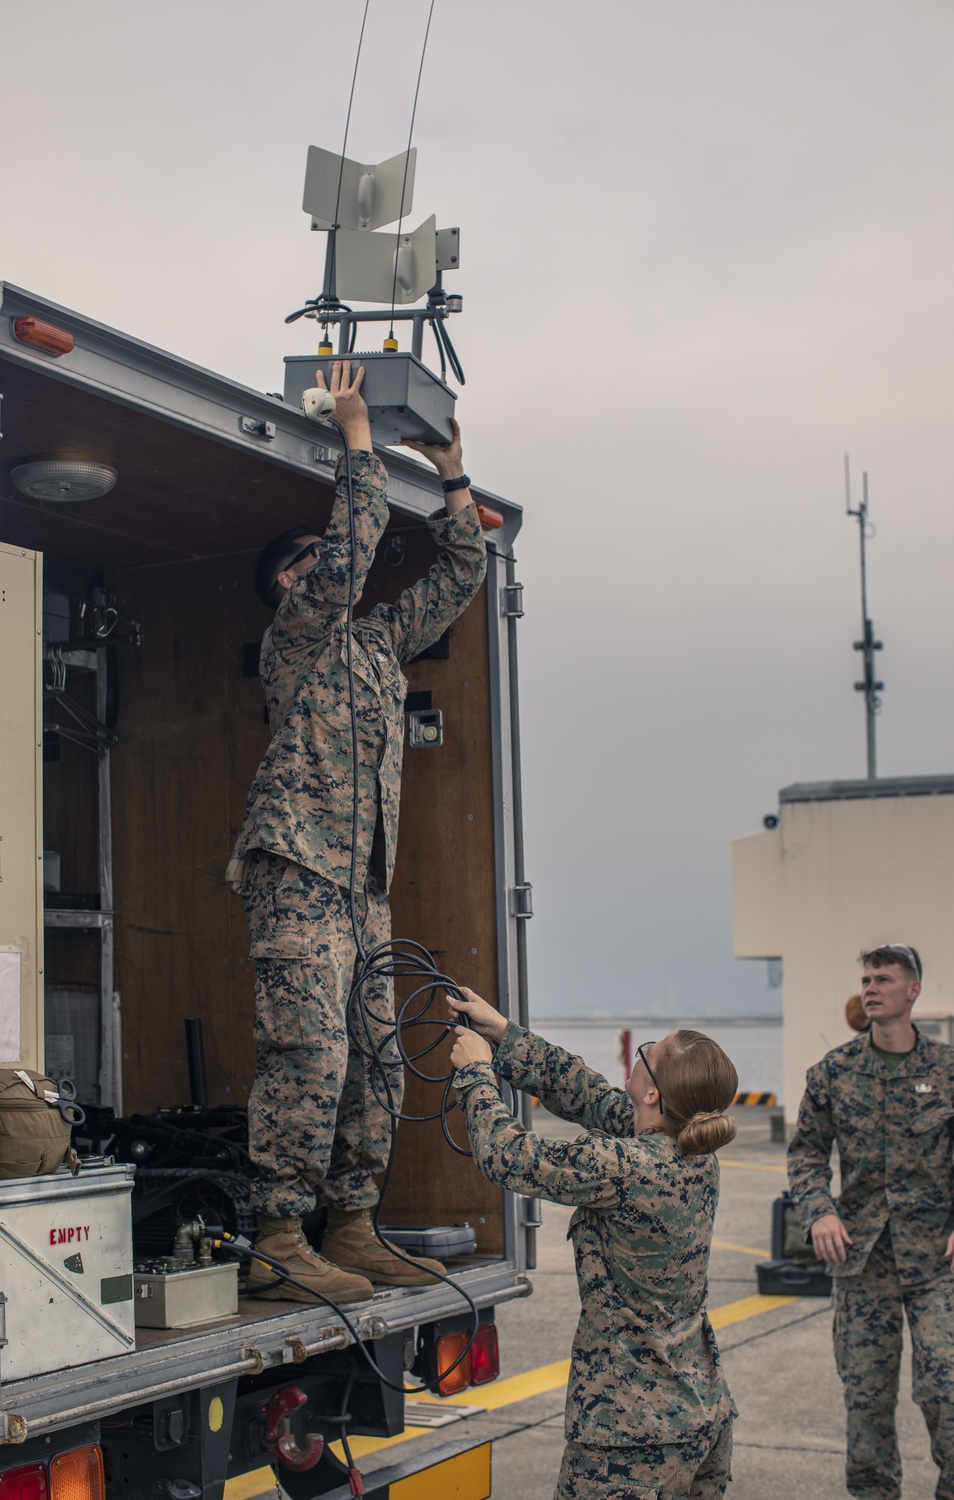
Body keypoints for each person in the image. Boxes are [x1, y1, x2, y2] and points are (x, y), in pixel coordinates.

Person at [229, 360, 487, 1303]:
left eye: (315, 552)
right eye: (299, 559)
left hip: (358, 886)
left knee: (376, 1059)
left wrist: (454, 476)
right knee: (308, 1053)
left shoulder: (377, 649)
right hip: (295, 865)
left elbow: (461, 571)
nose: (319, 564)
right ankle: (279, 1236)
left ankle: (351, 1223)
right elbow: (349, 555)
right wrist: (357, 441)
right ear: (284, 589)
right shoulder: (294, 637)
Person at [449, 989, 739, 1500]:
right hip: (699, 1414)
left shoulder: (624, 1167)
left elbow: (505, 1154)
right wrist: (503, 1034)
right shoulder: (695, 1154)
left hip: (630, 1437)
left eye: (648, 1051)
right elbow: (590, 1095)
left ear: (652, 1094)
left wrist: (476, 1072)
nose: (641, 1052)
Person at [787, 944, 954, 1500]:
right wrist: (820, 1213)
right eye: (865, 979)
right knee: (867, 1403)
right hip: (861, 1261)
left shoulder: (949, 1071)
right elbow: (806, 1155)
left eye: (883, 978)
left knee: (946, 1393)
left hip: (937, 1262)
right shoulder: (832, 1072)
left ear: (913, 991)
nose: (870, 988)